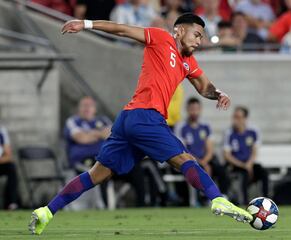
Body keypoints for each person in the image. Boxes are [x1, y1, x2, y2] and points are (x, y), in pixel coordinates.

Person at [29, 13, 252, 235]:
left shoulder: (187, 62)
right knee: (185, 159)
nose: (198, 41)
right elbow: (122, 29)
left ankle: (47, 211)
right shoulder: (161, 38)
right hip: (146, 116)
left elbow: (204, 87)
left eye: (201, 37)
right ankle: (217, 199)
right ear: (180, 30)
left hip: (128, 120)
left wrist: (218, 93)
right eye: (196, 34)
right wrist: (86, 24)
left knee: (97, 174)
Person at [175, 97, 230, 196]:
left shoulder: (205, 126)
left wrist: (204, 161)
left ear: (200, 110)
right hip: (190, 159)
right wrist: (199, 162)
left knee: (221, 170)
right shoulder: (181, 127)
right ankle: (203, 197)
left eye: (196, 109)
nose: (194, 112)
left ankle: (223, 195)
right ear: (187, 110)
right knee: (198, 170)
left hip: (206, 159)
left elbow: (210, 148)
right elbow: (183, 149)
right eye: (192, 109)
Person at [223, 106, 269, 205]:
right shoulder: (229, 133)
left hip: (250, 163)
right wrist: (243, 165)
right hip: (237, 165)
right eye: (234, 117)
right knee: (243, 174)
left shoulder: (253, 131)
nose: (236, 120)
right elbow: (227, 155)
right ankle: (244, 203)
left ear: (245, 119)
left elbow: (254, 151)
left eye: (238, 117)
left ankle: (267, 202)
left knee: (263, 172)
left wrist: (249, 164)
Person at [0, 124, 18, 210]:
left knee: (11, 167)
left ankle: (11, 203)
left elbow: (8, 156)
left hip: (1, 162)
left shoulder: (2, 131)